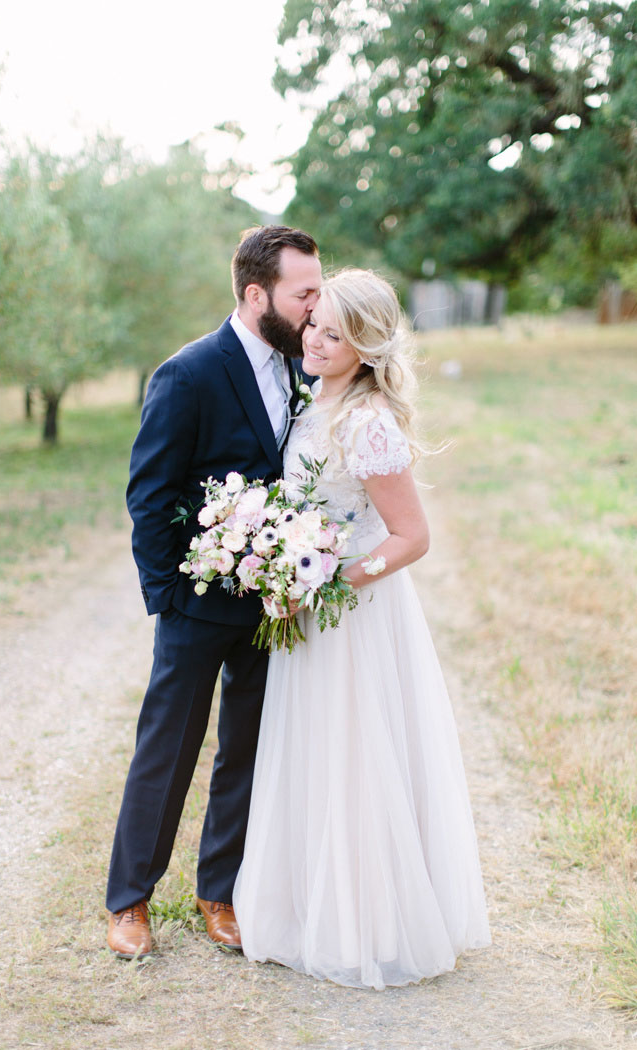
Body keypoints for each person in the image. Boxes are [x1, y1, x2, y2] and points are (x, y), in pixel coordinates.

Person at [233, 269, 491, 990]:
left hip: (355, 613)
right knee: (314, 753)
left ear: (367, 347)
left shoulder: (367, 421)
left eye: (336, 333)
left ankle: (368, 923)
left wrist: (326, 580)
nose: (315, 337)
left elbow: (411, 537)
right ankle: (309, 908)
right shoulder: (313, 398)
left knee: (356, 757)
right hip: (309, 609)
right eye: (315, 323)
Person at [106, 225, 322, 958]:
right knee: (167, 747)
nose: (315, 308)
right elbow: (149, 493)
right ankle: (129, 901)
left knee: (248, 749)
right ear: (257, 294)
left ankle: (219, 891)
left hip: (272, 607)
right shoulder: (189, 373)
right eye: (305, 294)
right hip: (196, 605)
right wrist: (167, 595)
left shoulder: (304, 369)